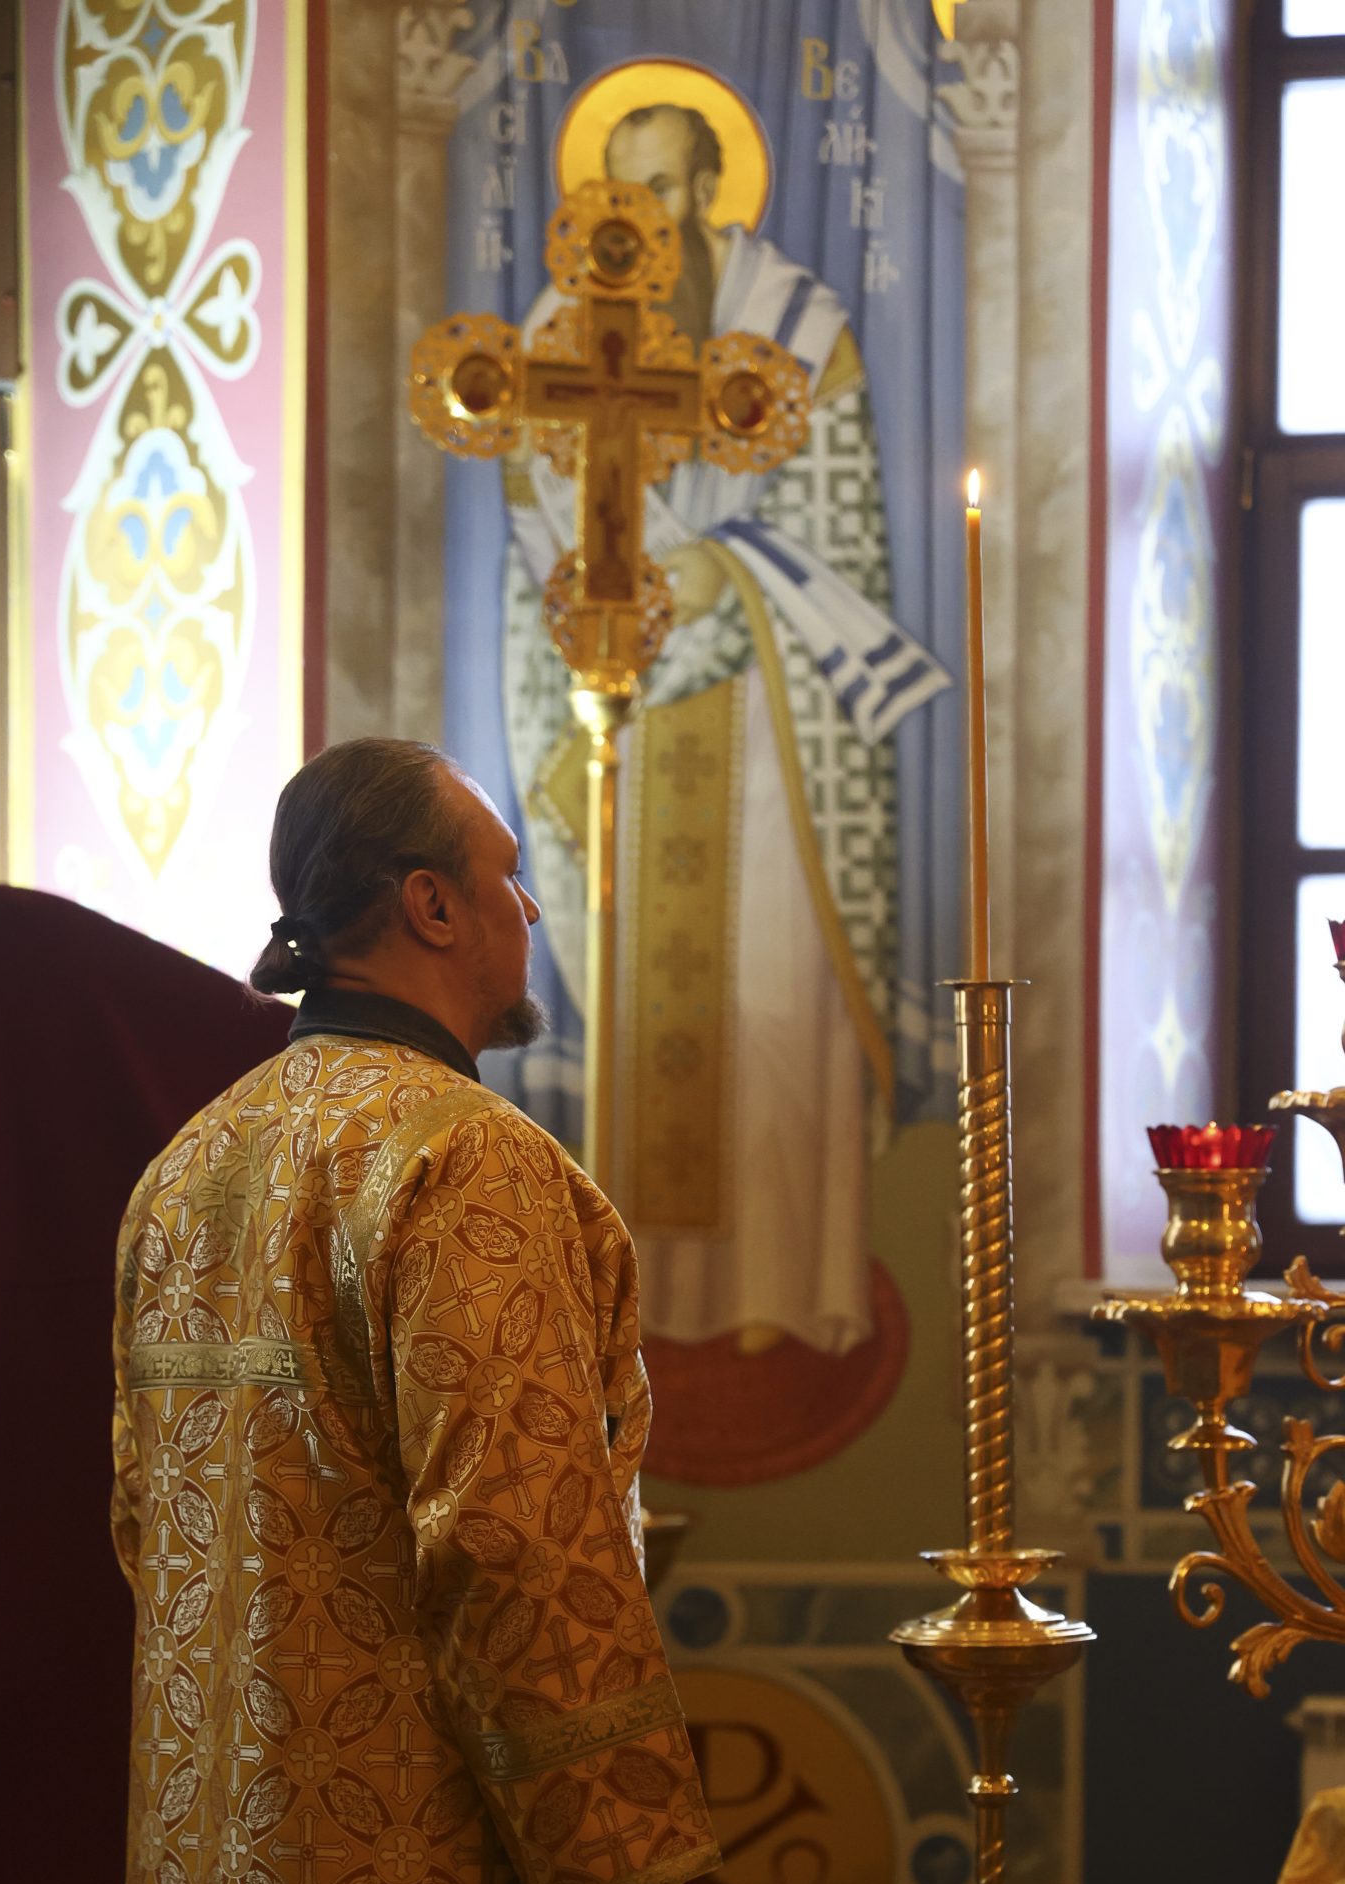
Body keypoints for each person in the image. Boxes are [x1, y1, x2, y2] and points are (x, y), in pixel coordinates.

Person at [109, 738, 760, 1884]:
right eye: (507, 872)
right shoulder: (464, 1164)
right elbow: (516, 1532)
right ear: (429, 906)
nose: (531, 907)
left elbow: (143, 1530)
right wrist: (587, 1846)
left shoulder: (188, 1171)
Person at [503, 92, 946, 1357]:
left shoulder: (796, 327)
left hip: (770, 725)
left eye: (663, 189)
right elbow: (536, 519)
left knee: (775, 1009)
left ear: (712, 193)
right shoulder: (558, 333)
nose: (641, 219)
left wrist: (728, 570)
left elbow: (840, 523)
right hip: (628, 720)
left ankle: (789, 1292)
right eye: (618, 191)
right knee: (647, 1015)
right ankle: (649, 1311)